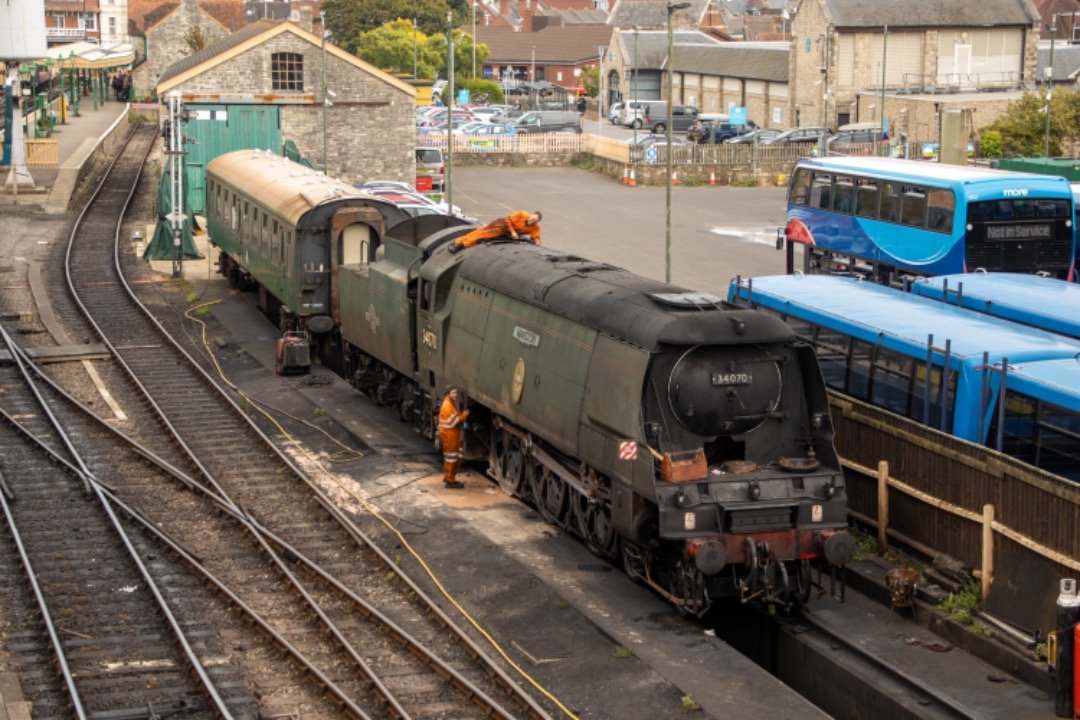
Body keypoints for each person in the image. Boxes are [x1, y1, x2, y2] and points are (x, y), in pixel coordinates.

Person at [449, 211, 541, 252]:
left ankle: (461, 244)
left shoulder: (535, 227)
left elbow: (536, 236)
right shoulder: (522, 214)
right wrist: (513, 232)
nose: (532, 221)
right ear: (531, 215)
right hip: (502, 225)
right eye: (532, 218)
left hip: (506, 233)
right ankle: (458, 243)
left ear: (537, 222)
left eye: (534, 221)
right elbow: (507, 221)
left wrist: (537, 241)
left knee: (481, 235)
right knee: (480, 232)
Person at [438, 387, 469, 489]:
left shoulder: (451, 404)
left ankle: (449, 477)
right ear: (448, 393)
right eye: (454, 393)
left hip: (454, 435)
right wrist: (464, 415)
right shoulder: (447, 406)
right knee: (451, 459)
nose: (456, 395)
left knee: (455, 457)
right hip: (449, 436)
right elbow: (454, 422)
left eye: (456, 392)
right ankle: (450, 481)